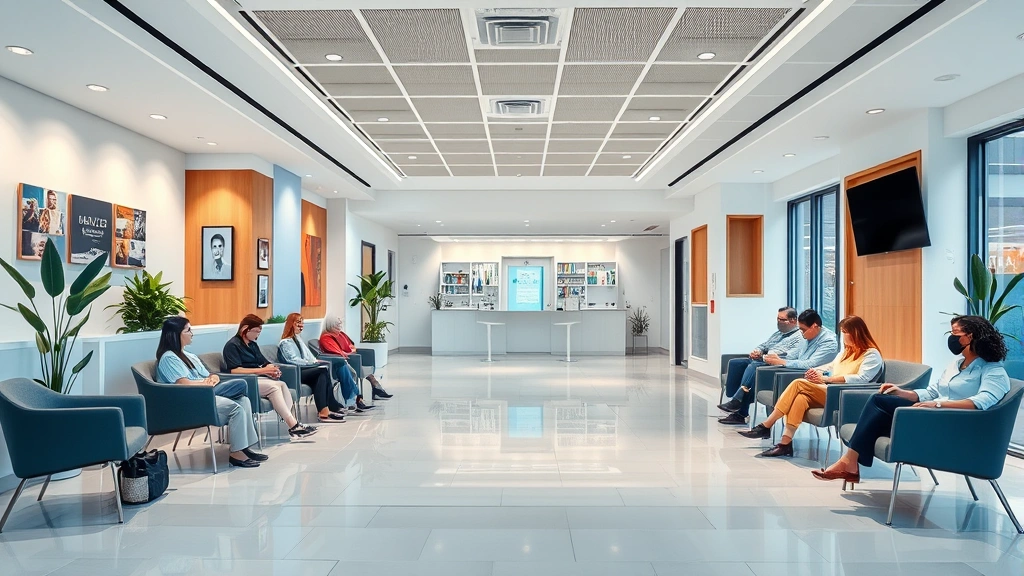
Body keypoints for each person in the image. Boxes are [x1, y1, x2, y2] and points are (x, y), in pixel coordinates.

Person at [813, 315, 1011, 485]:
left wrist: (939, 404)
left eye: (955, 334)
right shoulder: (957, 363)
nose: (951, 338)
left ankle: (850, 462)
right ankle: (850, 462)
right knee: (881, 400)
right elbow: (934, 390)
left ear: (971, 336)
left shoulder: (992, 369)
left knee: (878, 409)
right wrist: (903, 392)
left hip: (952, 422)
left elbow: (982, 402)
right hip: (930, 413)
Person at [739, 315, 882, 457]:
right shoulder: (846, 352)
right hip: (830, 389)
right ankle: (785, 444)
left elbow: (862, 379)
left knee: (798, 383)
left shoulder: (871, 355)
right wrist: (816, 371)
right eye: (843, 332)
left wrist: (827, 379)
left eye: (845, 332)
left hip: (845, 396)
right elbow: (831, 365)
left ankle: (767, 424)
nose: (843, 336)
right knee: (800, 398)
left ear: (857, 333)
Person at [154, 317, 273, 468]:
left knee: (243, 400)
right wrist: (205, 383)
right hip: (191, 400)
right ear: (176, 334)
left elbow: (209, 375)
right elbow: (183, 384)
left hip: (205, 393)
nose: (192, 333)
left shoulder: (190, 356)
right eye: (188, 330)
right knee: (238, 399)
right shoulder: (169, 358)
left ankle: (243, 448)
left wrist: (213, 378)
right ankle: (236, 454)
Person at [725, 309, 839, 425]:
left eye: (803, 330)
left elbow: (809, 364)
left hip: (807, 376)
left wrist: (783, 362)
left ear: (814, 326)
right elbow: (794, 355)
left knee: (756, 369)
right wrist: (775, 359)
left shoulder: (829, 342)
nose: (801, 333)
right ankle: (740, 403)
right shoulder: (805, 336)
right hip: (791, 370)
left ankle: (740, 404)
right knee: (751, 367)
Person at [223, 314, 335, 426]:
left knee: (282, 384)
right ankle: (293, 425)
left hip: (259, 377)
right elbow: (235, 370)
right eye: (256, 331)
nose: (258, 335)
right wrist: (263, 371)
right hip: (247, 380)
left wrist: (273, 369)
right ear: (245, 329)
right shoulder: (232, 345)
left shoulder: (252, 345)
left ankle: (293, 422)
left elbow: (264, 362)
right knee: (274, 387)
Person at [717, 307, 801, 424]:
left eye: (782, 319)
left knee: (754, 368)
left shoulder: (799, 336)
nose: (779, 322)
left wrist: (763, 356)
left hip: (774, 366)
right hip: (763, 360)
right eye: (777, 318)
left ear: (793, 320)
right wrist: (757, 351)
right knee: (737, 363)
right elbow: (764, 345)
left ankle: (739, 405)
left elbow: (787, 356)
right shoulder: (778, 334)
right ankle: (737, 400)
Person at [278, 313, 365, 415]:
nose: (301, 326)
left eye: (302, 323)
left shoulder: (298, 339)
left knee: (323, 372)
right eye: (298, 323)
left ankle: (328, 409)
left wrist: (315, 361)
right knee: (323, 370)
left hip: (304, 369)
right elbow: (293, 360)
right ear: (290, 324)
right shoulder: (285, 343)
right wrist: (312, 362)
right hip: (295, 372)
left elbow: (309, 356)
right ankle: (332, 406)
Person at [320, 313, 393, 401]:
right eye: (337, 325)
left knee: (364, 369)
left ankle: (374, 389)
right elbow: (339, 353)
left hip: (351, 359)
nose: (340, 327)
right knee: (347, 366)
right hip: (342, 361)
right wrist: (348, 353)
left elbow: (352, 347)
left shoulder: (341, 334)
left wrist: (349, 352)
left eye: (340, 324)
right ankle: (362, 396)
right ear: (330, 325)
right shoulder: (326, 338)